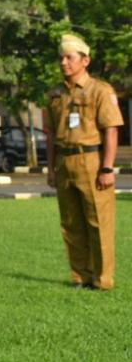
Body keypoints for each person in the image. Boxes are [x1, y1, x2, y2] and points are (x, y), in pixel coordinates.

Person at [46, 33, 123, 290]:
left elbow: (111, 130)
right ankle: (80, 276)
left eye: (69, 57)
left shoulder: (100, 90)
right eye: (61, 57)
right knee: (71, 223)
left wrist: (107, 167)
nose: (64, 63)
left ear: (85, 60)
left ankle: (102, 279)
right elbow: (50, 135)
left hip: (91, 159)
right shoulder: (55, 94)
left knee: (98, 222)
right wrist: (51, 168)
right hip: (64, 162)